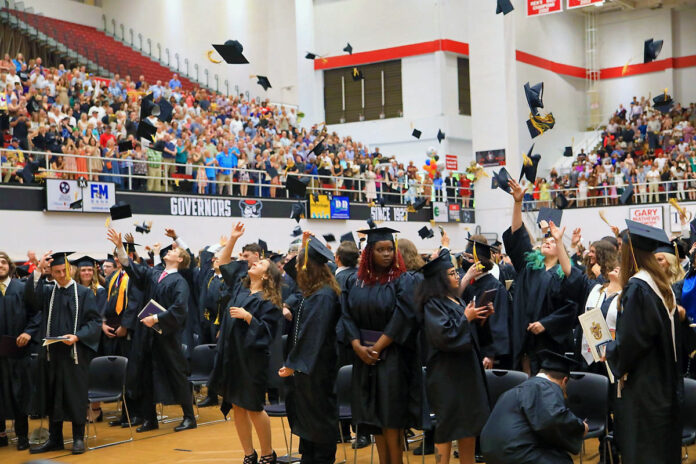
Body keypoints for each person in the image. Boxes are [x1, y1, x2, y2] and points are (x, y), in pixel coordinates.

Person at [605, 220, 684, 463]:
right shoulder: (660, 285)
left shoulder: (638, 288)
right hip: (665, 383)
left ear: (630, 255)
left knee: (644, 452)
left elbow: (631, 344)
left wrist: (609, 350)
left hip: (644, 389)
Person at [340, 227, 421, 464]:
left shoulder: (402, 280)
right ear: (369, 252)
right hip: (363, 357)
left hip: (392, 357)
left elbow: (404, 315)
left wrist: (378, 348)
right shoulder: (355, 281)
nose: (386, 254)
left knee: (391, 419)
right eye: (380, 249)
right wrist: (356, 345)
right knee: (373, 418)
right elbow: (346, 315)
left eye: (389, 249)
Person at [106, 229, 197, 434]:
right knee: (145, 373)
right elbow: (133, 267)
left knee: (176, 374)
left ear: (180, 259)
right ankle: (150, 418)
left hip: (167, 334)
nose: (170, 250)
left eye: (174, 251)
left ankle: (189, 417)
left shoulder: (179, 281)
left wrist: (156, 318)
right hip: (146, 333)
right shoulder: (155, 274)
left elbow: (180, 308)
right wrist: (120, 248)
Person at [209, 222, 283, 464]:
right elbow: (224, 263)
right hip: (232, 356)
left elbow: (268, 333)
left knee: (252, 406)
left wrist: (249, 316)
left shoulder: (269, 300)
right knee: (237, 406)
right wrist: (232, 238)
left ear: (266, 275)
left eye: (260, 263)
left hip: (251, 360)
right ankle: (248, 454)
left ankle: (267, 455)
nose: (254, 263)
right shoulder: (240, 286)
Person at [417, 250, 490, 464]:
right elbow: (444, 337)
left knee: (469, 425)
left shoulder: (456, 300)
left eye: (455, 271)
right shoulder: (432, 303)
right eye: (451, 273)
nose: (457, 275)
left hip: (466, 372)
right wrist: (467, 318)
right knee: (447, 427)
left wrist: (481, 318)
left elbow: (469, 335)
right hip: (446, 375)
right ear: (440, 279)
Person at [25, 251, 101, 455]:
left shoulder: (83, 293)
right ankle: (55, 439)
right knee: (52, 396)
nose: (60, 275)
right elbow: (30, 299)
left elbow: (95, 322)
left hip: (74, 355)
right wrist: (38, 270)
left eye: (63, 270)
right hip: (52, 354)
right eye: (56, 271)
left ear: (70, 269)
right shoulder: (49, 291)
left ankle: (77, 438)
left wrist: (77, 336)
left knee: (75, 396)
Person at [279, 232, 342, 463]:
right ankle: (309, 455)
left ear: (309, 268)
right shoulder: (313, 292)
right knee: (308, 421)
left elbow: (313, 334)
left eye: (299, 263)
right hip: (308, 370)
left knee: (318, 422)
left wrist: (293, 364)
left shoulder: (323, 296)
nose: (296, 268)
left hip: (318, 370)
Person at [504, 179, 575, 375]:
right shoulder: (529, 267)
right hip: (524, 344)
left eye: (554, 240)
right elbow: (518, 236)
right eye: (546, 238)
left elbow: (570, 309)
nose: (547, 241)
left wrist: (546, 324)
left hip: (550, 345)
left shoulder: (565, 276)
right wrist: (517, 203)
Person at [480, 350, 587, 464]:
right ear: (564, 381)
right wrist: (580, 427)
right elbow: (553, 418)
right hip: (515, 452)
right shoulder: (546, 387)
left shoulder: (521, 387)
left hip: (489, 450)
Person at [0, 252, 37, 451]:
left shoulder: (22, 289)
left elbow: (36, 314)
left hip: (18, 350)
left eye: (3, 262)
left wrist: (28, 332)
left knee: (19, 393)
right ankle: (1, 434)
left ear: (10, 266)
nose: (0, 265)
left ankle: (22, 436)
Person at [459, 236, 511, 370]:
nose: (465, 261)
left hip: (485, 352)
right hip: (469, 347)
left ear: (479, 262)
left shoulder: (495, 287)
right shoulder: (470, 285)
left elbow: (498, 322)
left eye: (469, 257)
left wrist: (491, 354)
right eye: (465, 257)